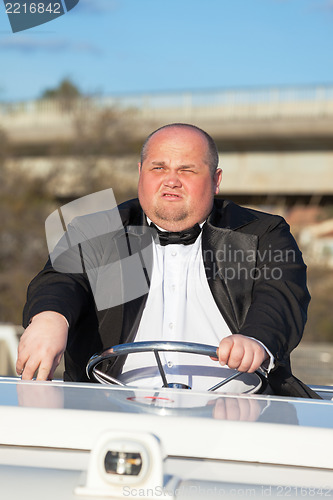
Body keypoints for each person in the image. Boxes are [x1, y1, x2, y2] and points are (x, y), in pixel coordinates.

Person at [17, 123, 317, 397]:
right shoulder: (96, 230)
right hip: (110, 408)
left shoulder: (264, 233)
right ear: (140, 173)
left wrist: (257, 339)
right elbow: (61, 279)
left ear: (216, 180)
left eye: (187, 170)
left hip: (240, 411)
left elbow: (280, 295)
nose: (171, 180)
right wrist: (49, 317)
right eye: (158, 168)